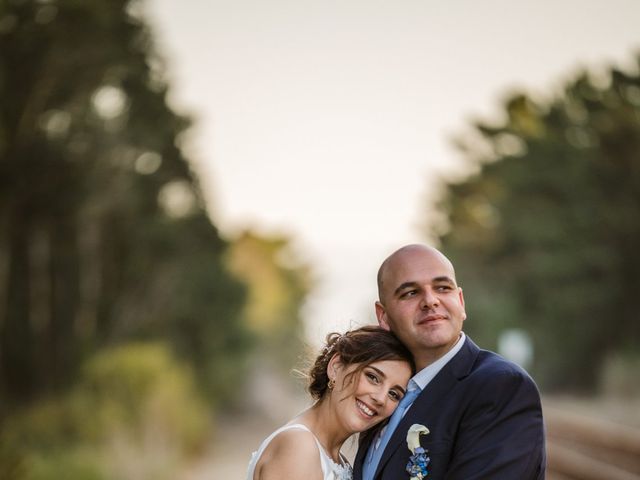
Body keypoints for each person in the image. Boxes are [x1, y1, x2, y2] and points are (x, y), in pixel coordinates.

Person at [354, 244, 546, 480]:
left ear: (461, 301)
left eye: (443, 288)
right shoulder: (384, 395)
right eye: (410, 293)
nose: (430, 301)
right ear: (383, 316)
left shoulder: (500, 387)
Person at [247, 325, 415, 480]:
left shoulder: (340, 462)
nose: (380, 398)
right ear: (335, 367)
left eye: (394, 394)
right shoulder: (299, 446)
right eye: (373, 377)